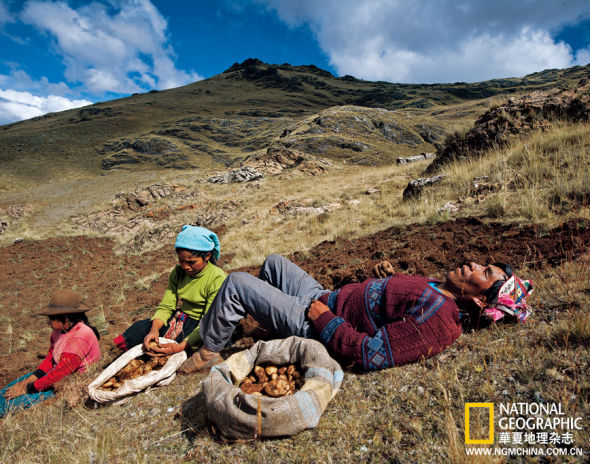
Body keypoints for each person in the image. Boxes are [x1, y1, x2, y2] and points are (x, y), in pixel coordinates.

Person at [179, 254, 533, 373]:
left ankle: (210, 350)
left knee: (237, 283)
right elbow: (392, 303)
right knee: (273, 263)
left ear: (480, 303)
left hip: (314, 320)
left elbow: (370, 353)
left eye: (484, 273)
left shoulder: (439, 323)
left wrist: (323, 320)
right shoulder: (441, 288)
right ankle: (269, 326)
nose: (473, 264)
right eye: (483, 265)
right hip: (325, 297)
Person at [113, 225, 226, 358]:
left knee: (180, 343)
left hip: (202, 324)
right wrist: (154, 330)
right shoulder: (178, 272)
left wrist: (181, 346)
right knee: (142, 328)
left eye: (191, 262)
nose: (185, 267)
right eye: (181, 261)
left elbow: (208, 320)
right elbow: (166, 306)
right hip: (182, 317)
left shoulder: (217, 277)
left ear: (207, 256)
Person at [1, 289, 101, 417]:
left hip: (67, 383)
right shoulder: (59, 332)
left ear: (65, 319)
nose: (48, 324)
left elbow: (60, 374)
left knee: (7, 406)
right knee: (6, 392)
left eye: (50, 320)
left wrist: (28, 388)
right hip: (53, 375)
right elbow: (50, 360)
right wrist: (29, 380)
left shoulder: (80, 337)